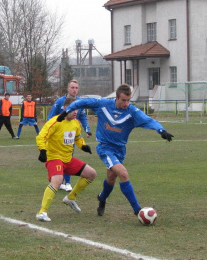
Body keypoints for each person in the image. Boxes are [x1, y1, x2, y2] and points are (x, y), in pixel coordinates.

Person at [56, 84, 174, 218]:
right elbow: (83, 101)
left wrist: (161, 131)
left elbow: (148, 120)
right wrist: (67, 111)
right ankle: (137, 210)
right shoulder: (103, 104)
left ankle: (102, 198)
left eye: (128, 100)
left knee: (111, 179)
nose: (126, 103)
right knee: (123, 174)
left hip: (120, 150)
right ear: (116, 98)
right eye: (123, 100)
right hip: (105, 148)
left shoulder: (132, 112)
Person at [35, 97, 96, 222]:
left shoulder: (75, 123)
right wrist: (42, 150)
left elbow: (77, 137)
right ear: (65, 108)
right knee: (58, 181)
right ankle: (42, 212)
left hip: (68, 159)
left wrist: (83, 146)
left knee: (91, 174)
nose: (75, 112)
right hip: (54, 157)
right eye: (73, 109)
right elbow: (41, 137)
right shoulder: (55, 122)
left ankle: (71, 198)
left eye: (77, 110)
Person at [47, 80, 92, 192]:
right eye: (72, 87)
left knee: (68, 155)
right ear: (68, 89)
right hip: (58, 133)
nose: (74, 90)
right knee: (58, 156)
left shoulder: (80, 102)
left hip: (71, 132)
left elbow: (83, 117)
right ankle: (58, 179)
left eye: (76, 87)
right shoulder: (60, 101)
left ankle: (67, 182)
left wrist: (87, 129)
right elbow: (50, 117)